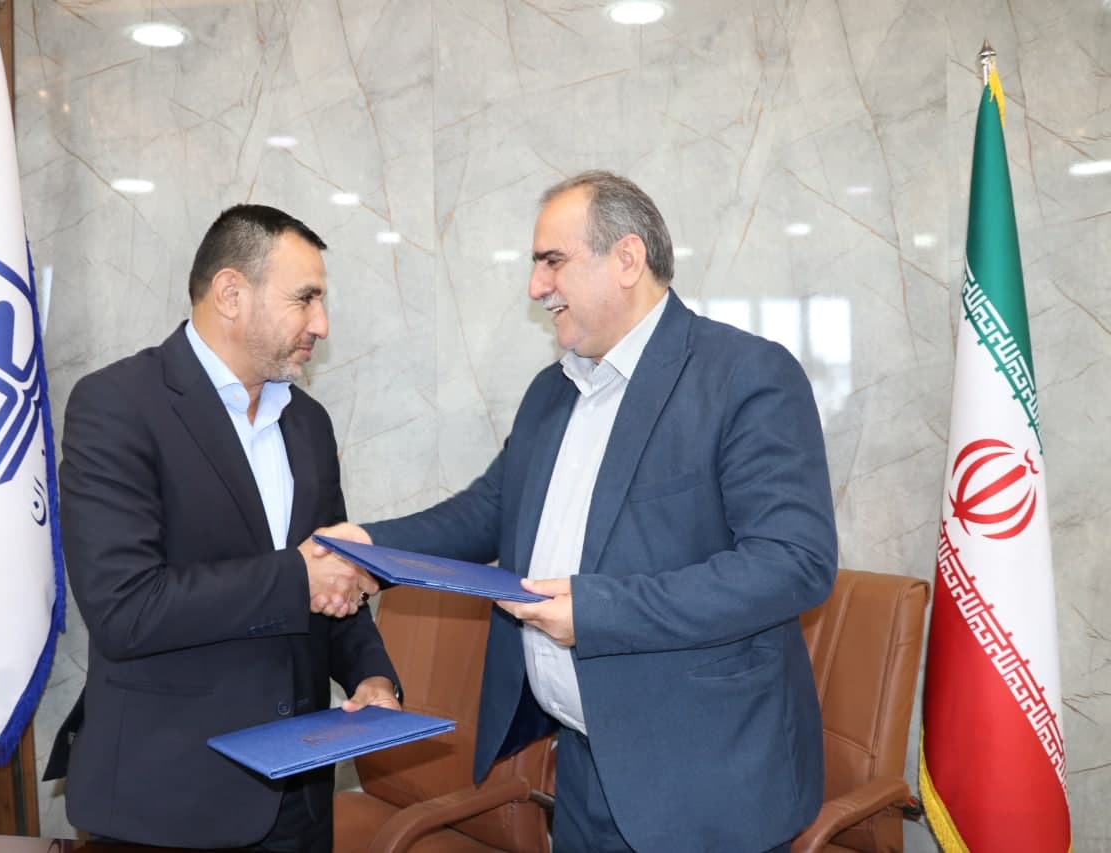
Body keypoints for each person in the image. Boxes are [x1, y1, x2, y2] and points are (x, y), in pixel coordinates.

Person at [316, 172, 838, 852]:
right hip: (586, 772)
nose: (536, 286)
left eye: (552, 261)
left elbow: (792, 563)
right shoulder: (552, 391)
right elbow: (486, 512)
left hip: (707, 779)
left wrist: (595, 610)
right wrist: (366, 548)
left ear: (627, 258)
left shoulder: (744, 375)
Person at [57, 203, 401, 851]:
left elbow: (332, 583)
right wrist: (298, 577)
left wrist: (371, 676)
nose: (322, 324)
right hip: (168, 805)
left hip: (300, 801)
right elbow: (125, 609)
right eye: (305, 299)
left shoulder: (309, 423)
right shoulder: (117, 406)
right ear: (231, 293)